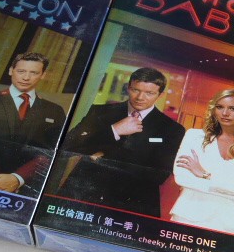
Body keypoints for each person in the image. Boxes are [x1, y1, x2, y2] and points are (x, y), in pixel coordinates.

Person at [56, 67, 185, 217]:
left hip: (132, 202)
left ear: (160, 95)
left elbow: (159, 175)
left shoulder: (172, 129)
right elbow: (68, 146)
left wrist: (104, 155)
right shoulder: (99, 112)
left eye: (149, 93)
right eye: (136, 90)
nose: (140, 97)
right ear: (128, 88)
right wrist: (114, 131)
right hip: (84, 194)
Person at [0, 52, 66, 196]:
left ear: (43, 75)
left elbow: (52, 150)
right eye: (21, 71)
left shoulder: (55, 110)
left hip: (24, 187)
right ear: (11, 71)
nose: (26, 77)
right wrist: (0, 181)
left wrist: (17, 178)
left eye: (34, 73)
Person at [170, 89, 234, 237]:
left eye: (233, 109)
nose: (225, 113)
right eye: (220, 107)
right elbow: (183, 178)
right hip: (189, 217)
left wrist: (205, 175)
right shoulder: (194, 136)